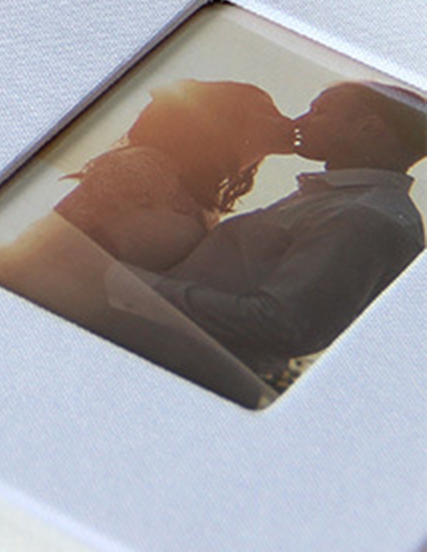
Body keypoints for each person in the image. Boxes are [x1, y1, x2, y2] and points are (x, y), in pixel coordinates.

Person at [143, 80, 427, 379]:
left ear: (367, 128)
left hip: (189, 370)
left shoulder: (366, 217)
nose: (299, 121)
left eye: (319, 111)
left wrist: (141, 286)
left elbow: (283, 324)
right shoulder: (337, 200)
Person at [56, 79, 296, 271]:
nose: (286, 120)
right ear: (227, 120)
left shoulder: (204, 203)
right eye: (269, 111)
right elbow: (60, 234)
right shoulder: (145, 167)